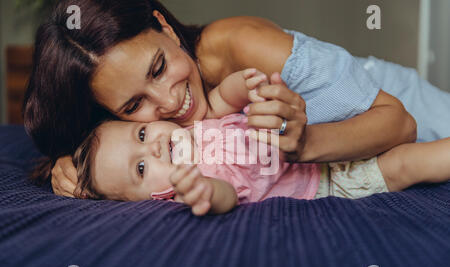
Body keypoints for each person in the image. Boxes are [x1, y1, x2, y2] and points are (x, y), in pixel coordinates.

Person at [29, 0, 450, 198]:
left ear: (166, 27)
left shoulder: (245, 52)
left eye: (158, 68)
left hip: (398, 104)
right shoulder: (135, 135)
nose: (170, 102)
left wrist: (304, 144)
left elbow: (402, 125)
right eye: (134, 106)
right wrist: (71, 165)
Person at [72, 67, 450, 215]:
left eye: (141, 134)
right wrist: (200, 190)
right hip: (332, 183)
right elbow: (228, 196)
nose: (152, 147)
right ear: (155, 198)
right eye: (141, 167)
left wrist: (246, 86)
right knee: (410, 163)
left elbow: (223, 98)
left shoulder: (196, 127)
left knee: (408, 148)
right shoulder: (194, 181)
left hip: (327, 144)